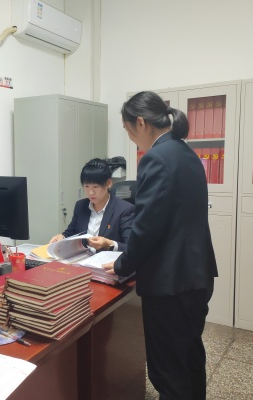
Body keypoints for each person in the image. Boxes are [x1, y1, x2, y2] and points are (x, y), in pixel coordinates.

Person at [103, 91, 218, 400]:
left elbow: (147, 227)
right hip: (197, 275)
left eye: (128, 130)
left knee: (167, 371)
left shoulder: (156, 158)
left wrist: (122, 264)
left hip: (170, 283)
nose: (131, 139)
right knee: (189, 356)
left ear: (141, 123)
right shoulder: (186, 152)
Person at [50, 158, 134, 252]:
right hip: (82, 257)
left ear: (109, 183)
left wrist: (108, 244)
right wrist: (62, 236)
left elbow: (130, 247)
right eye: (86, 186)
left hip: (107, 260)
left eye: (95, 187)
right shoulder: (81, 206)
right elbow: (71, 232)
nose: (91, 192)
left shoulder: (124, 210)